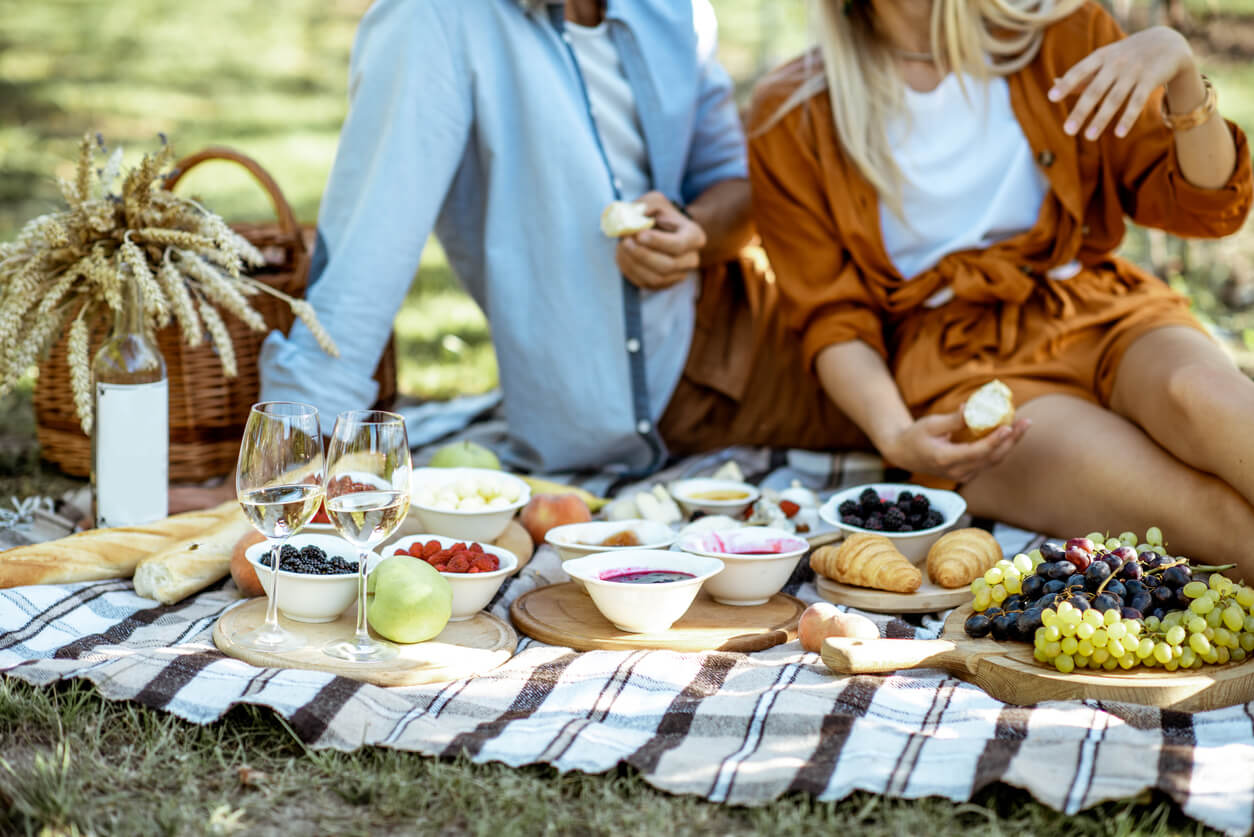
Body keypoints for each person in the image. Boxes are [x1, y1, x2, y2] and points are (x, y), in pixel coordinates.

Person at [253, 0, 866, 476]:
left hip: (768, 305)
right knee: (923, 402)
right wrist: (285, 465)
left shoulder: (673, 10)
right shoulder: (434, 20)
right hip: (693, 385)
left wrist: (696, 233)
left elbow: (734, 186)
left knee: (938, 371)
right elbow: (360, 266)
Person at [748, 0, 1254, 570]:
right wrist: (896, 436)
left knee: (1207, 397)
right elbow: (832, 319)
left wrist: (1182, 73)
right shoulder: (793, 111)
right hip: (963, 368)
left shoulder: (1063, 33)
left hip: (1100, 307)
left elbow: (1207, 212)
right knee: (1217, 524)